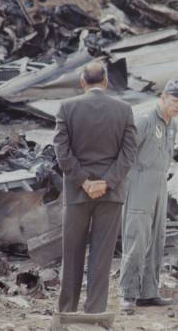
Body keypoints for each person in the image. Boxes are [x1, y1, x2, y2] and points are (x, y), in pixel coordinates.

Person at [54, 61, 137, 314]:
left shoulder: (66, 108)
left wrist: (84, 181)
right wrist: (108, 182)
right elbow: (129, 152)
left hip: (78, 192)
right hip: (111, 194)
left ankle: (67, 311)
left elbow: (62, 151)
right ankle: (95, 311)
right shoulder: (124, 109)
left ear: (82, 82)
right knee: (102, 255)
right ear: (106, 81)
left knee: (72, 253)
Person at [119, 79, 178, 312]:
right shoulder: (146, 120)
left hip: (160, 185)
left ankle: (149, 292)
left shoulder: (172, 126)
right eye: (174, 100)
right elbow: (124, 151)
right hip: (139, 183)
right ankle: (128, 293)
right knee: (136, 239)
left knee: (157, 240)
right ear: (163, 98)